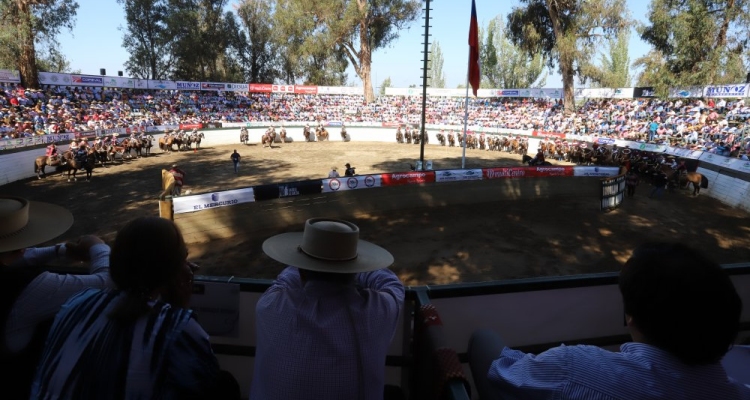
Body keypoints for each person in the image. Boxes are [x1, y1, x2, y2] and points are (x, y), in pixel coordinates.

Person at [468, 242, 749, 400]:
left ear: (631, 317)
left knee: (483, 340)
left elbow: (502, 371)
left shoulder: (575, 365)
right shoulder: (739, 391)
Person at [30, 217, 236, 399]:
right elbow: (205, 385)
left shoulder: (78, 301)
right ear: (174, 270)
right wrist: (179, 307)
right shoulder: (178, 327)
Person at [250, 218, 405, 400]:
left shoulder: (269, 304)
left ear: (302, 270)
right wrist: (354, 261)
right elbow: (392, 285)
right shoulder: (376, 311)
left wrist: (311, 254)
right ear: (354, 271)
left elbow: (285, 279)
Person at [0, 196, 111, 398]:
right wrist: (98, 245)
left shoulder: (9, 262)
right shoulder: (34, 287)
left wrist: (60, 251)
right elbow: (106, 282)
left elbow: (15, 257)